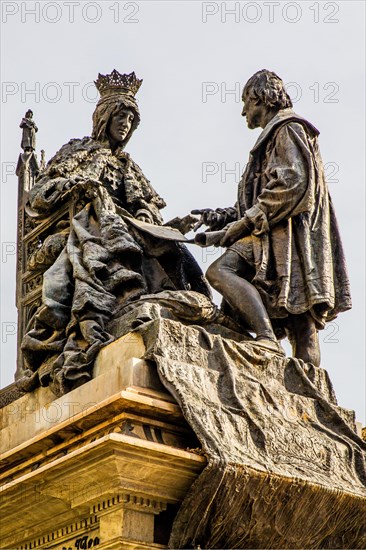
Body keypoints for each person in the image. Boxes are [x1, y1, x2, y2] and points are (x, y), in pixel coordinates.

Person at [19, 70, 209, 395]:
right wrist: (77, 185)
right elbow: (38, 195)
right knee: (100, 220)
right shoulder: (78, 151)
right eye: (121, 116)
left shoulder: (129, 166)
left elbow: (147, 204)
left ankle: (159, 297)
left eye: (131, 120)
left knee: (167, 245)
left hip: (128, 228)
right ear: (104, 116)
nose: (125, 124)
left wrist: (151, 218)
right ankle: (120, 297)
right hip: (85, 223)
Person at [193, 69, 351, 365]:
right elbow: (260, 197)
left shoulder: (286, 129)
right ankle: (311, 393)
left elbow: (291, 183)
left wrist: (243, 223)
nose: (243, 112)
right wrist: (219, 219)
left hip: (285, 235)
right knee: (301, 324)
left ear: (261, 98)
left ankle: (266, 338)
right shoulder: (278, 135)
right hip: (283, 233)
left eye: (246, 102)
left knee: (220, 271)